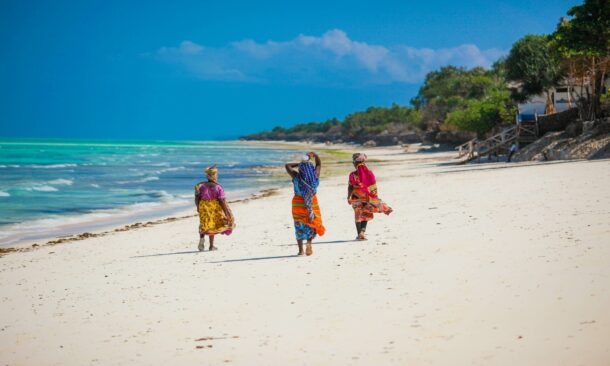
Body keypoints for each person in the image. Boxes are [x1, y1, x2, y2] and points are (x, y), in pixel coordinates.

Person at [285, 152, 326, 256]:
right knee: (311, 222)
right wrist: (316, 156)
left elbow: (287, 166)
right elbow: (318, 165)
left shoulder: (296, 177)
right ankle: (309, 242)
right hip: (312, 202)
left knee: (298, 225)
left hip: (298, 203)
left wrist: (300, 163)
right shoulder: (315, 177)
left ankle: (301, 251)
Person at [347, 153, 392, 240]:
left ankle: (359, 234)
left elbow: (350, 187)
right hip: (367, 197)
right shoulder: (369, 173)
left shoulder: (352, 175)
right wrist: (374, 197)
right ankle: (362, 233)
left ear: (355, 163)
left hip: (356, 198)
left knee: (358, 214)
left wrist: (348, 197)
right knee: (366, 214)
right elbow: (373, 187)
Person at [194, 165, 235, 251]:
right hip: (214, 208)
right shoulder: (218, 187)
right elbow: (222, 201)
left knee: (203, 223)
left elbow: (197, 198)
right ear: (215, 175)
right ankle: (211, 246)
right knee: (212, 225)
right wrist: (227, 213)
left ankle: (202, 239)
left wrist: (198, 207)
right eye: (216, 174)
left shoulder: (200, 186)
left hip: (203, 207)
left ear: (207, 175)